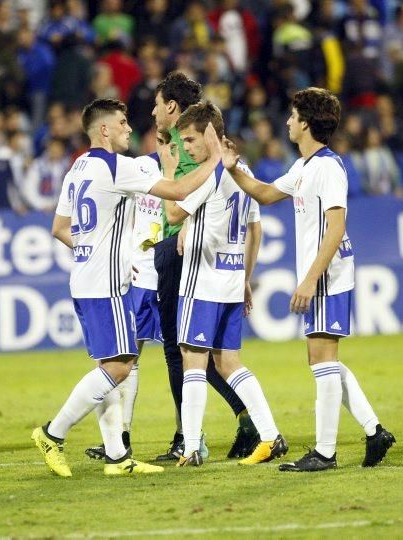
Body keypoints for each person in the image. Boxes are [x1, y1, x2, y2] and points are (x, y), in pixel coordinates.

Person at [32, 98, 223, 478]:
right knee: (120, 367)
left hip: (86, 278)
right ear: (104, 130)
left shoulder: (77, 168)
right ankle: (54, 433)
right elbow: (180, 189)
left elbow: (58, 228)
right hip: (106, 285)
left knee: (109, 366)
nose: (129, 129)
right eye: (122, 123)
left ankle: (117, 457)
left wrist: (90, 250)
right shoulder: (116, 168)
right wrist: (216, 161)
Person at [222, 87, 396, 472]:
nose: (286, 121)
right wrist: (232, 166)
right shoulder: (304, 167)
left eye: (292, 115)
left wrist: (309, 279)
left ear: (305, 123)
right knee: (323, 360)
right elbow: (265, 194)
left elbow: (336, 227)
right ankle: (373, 430)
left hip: (329, 276)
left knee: (322, 361)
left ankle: (326, 452)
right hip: (321, 276)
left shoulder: (329, 168)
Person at [165, 102, 287, 467]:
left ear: (209, 134)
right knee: (229, 362)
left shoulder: (210, 171)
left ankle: (189, 447)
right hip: (232, 279)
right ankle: (270, 436)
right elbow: (255, 228)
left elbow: (172, 213)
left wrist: (172, 171)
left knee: (192, 361)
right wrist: (246, 279)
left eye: (189, 139)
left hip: (203, 282)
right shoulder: (240, 168)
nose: (186, 147)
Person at [151, 71, 259, 462]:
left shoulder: (188, 150)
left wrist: (165, 172)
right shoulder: (226, 157)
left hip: (183, 254)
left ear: (172, 107)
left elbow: (176, 205)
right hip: (212, 259)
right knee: (209, 353)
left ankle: (192, 437)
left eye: (157, 104)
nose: (152, 112)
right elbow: (254, 223)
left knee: (181, 349)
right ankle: (249, 421)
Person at [83, 131, 168, 461]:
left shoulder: (188, 169)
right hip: (140, 277)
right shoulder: (139, 166)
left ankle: (188, 437)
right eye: (159, 136)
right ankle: (121, 436)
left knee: (190, 359)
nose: (160, 141)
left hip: (174, 276)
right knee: (128, 359)